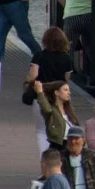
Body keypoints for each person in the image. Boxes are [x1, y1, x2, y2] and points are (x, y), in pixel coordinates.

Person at [24, 26, 74, 155]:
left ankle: (44, 162)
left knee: (41, 130)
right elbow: (66, 79)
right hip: (58, 99)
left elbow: (33, 75)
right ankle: (58, 161)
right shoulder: (67, 58)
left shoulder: (39, 55)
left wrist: (27, 83)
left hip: (41, 96)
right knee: (59, 130)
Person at [54, 0, 95, 94]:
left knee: (67, 49)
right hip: (89, 17)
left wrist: (67, 6)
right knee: (90, 48)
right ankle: (93, 76)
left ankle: (63, 81)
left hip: (72, 17)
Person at [33, 78, 78, 153]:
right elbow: (46, 109)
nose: (69, 93)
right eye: (66, 90)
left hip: (72, 144)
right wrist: (40, 93)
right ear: (57, 93)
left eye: (69, 90)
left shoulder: (69, 109)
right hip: (58, 145)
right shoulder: (52, 109)